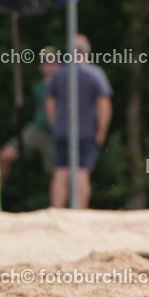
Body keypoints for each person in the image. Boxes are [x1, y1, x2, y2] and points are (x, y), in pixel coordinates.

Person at [46, 34, 112, 209]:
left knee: (61, 171)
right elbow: (104, 104)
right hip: (86, 131)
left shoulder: (59, 74)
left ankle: (57, 211)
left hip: (62, 130)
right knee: (82, 172)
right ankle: (80, 213)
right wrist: (101, 130)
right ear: (87, 52)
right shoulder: (95, 74)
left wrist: (55, 125)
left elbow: (50, 103)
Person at [0, 47, 60, 183]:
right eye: (46, 62)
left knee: (59, 175)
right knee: (5, 155)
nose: (50, 65)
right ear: (41, 66)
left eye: (53, 61)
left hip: (57, 134)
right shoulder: (37, 87)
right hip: (37, 129)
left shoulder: (67, 86)